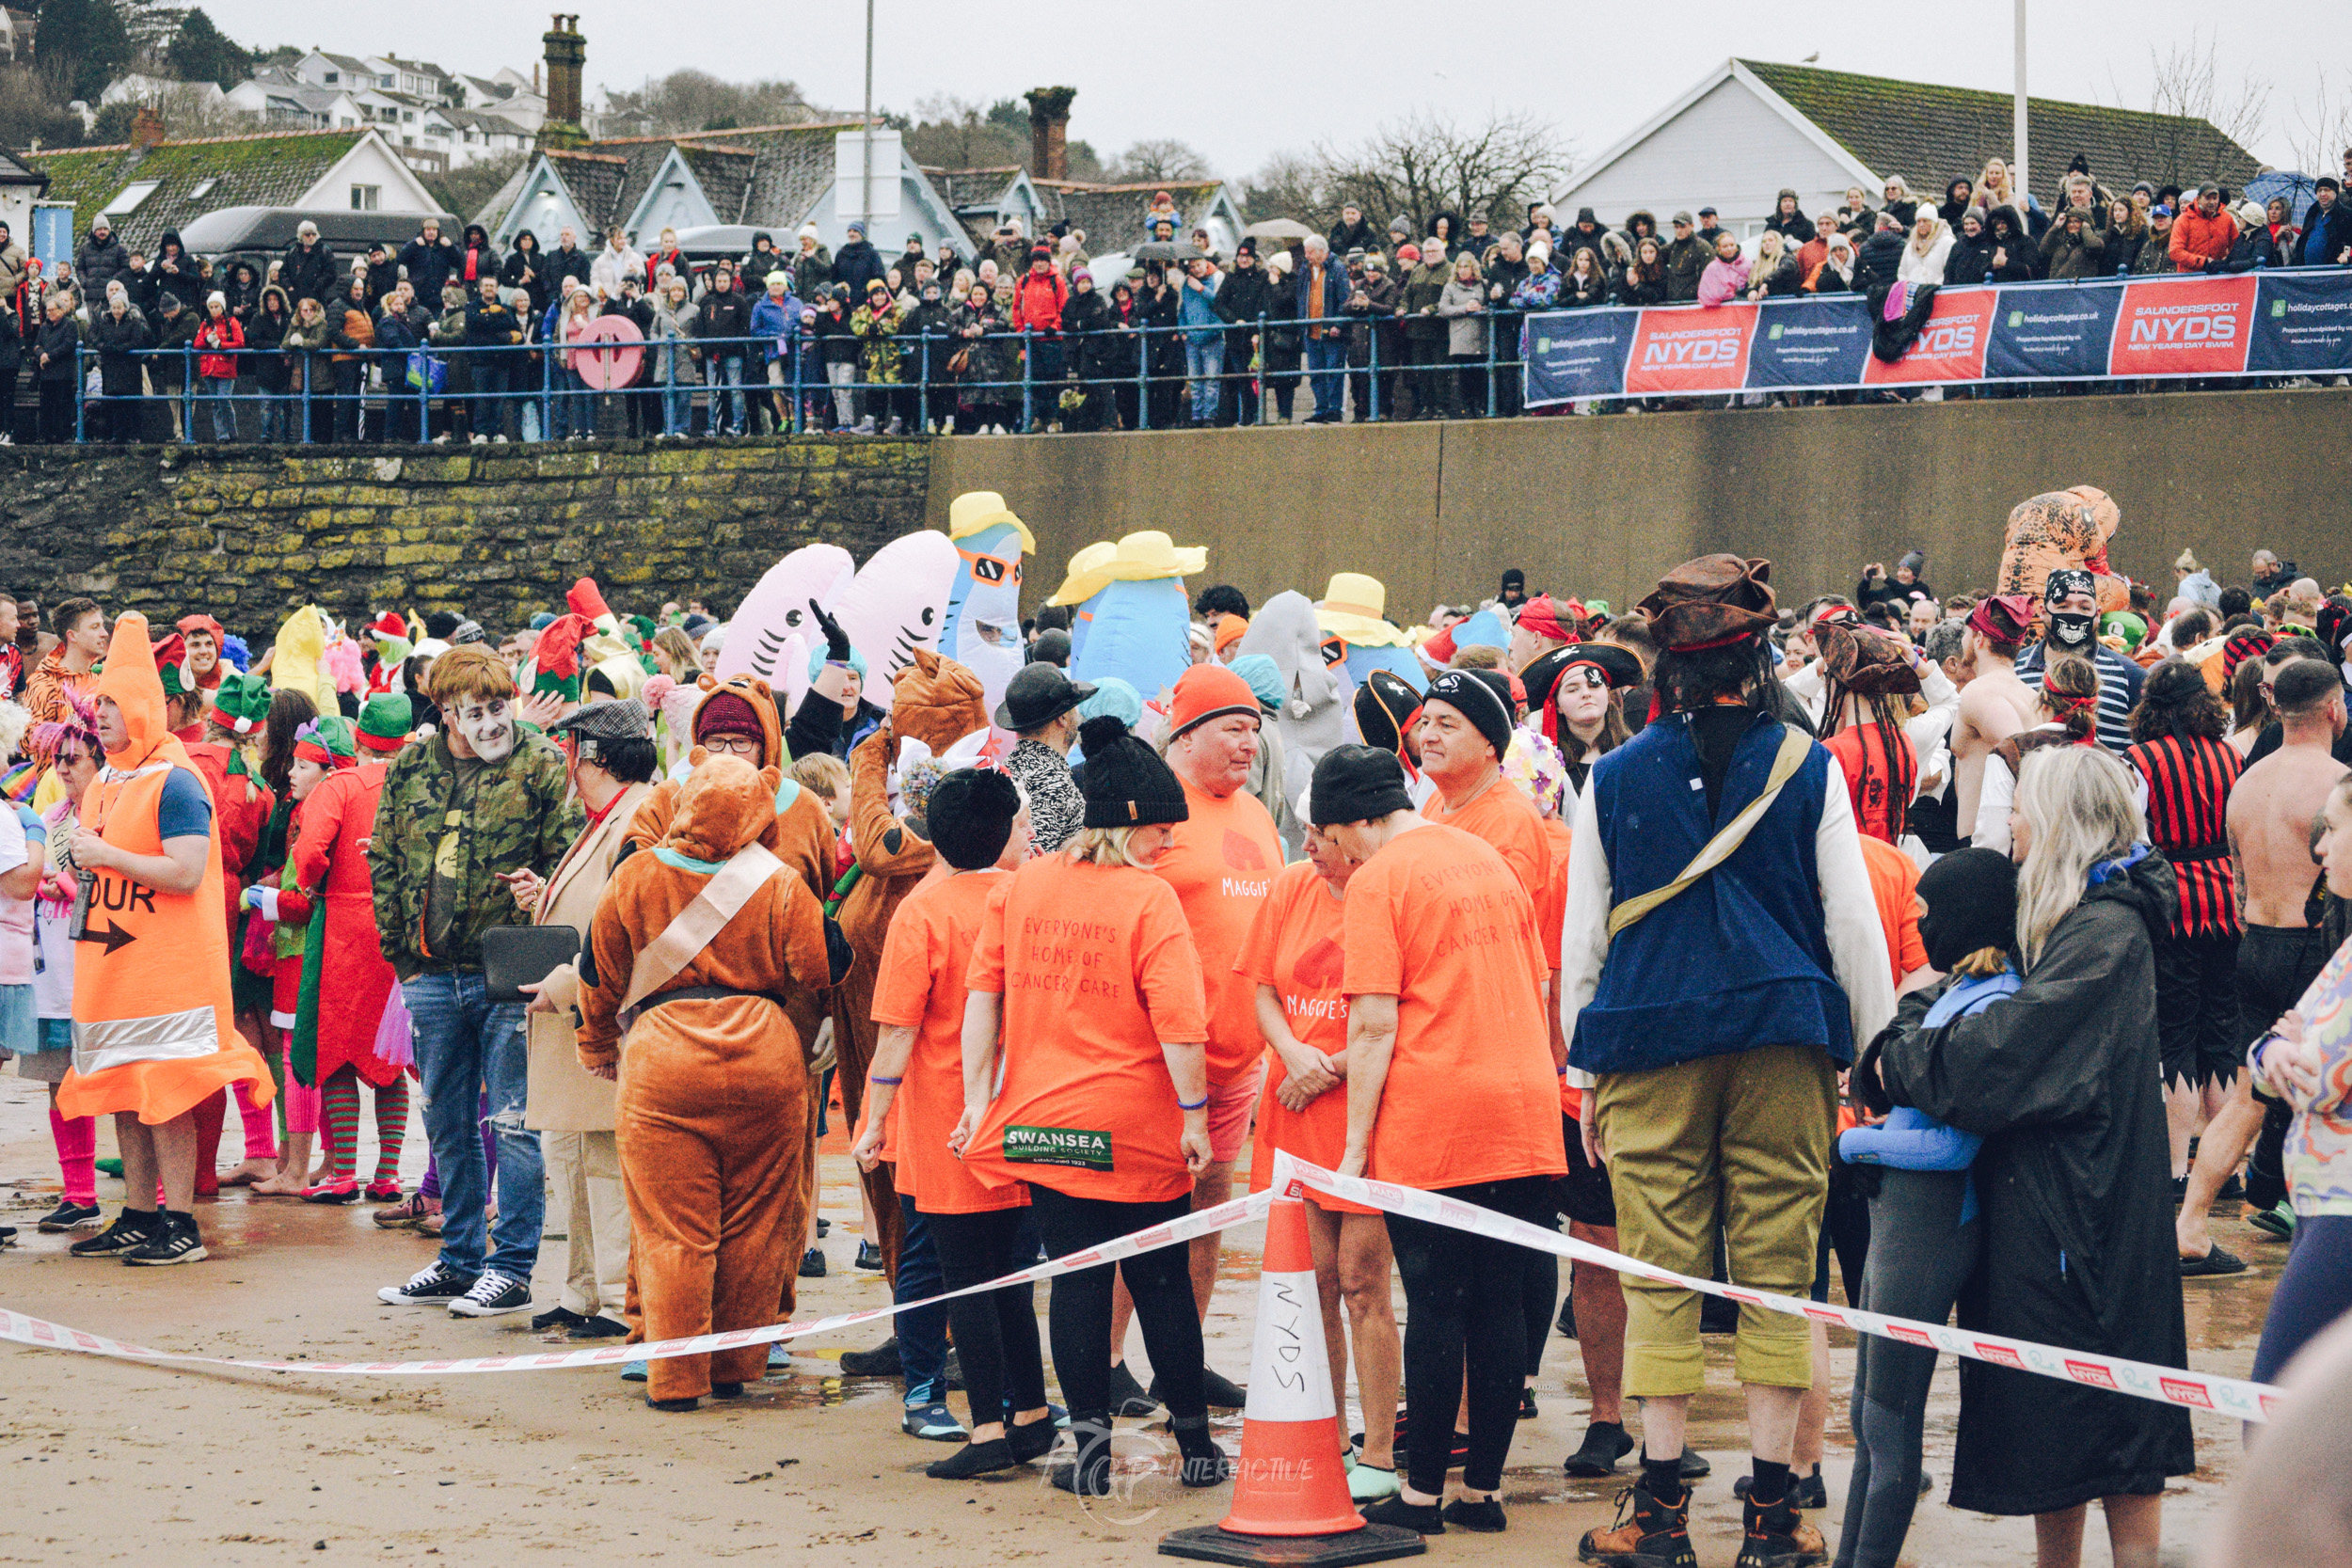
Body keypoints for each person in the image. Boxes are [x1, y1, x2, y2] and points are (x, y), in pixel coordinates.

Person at [1565, 555, 1893, 1568]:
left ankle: (1658, 1516)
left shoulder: (1610, 776)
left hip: (1650, 1039)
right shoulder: (1808, 764)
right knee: (1777, 1273)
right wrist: (1872, 1055)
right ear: (1754, 661)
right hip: (1782, 1037)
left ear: (1659, 667)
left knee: (1658, 1271)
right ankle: (1772, 1516)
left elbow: (1585, 936)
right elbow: (1851, 922)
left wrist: (1583, 1070)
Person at [1866, 745, 2194, 1567]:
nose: (2008, 822)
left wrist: (1894, 1058)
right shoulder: (2066, 919)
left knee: (2116, 1425)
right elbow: (1958, 1004)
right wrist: (1906, 1035)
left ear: (2059, 822)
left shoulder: (2103, 931)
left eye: (2021, 807)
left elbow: (1997, 1058)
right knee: (2059, 1428)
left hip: (2086, 1218)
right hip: (2063, 1207)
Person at [957, 715, 1229, 1496]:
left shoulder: (1023, 885)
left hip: (1043, 1123)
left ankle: (1089, 1455)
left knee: (1075, 1281)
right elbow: (1182, 1026)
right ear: (1130, 824)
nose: (1170, 846)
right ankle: (1197, 1447)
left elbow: (984, 998)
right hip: (1136, 1129)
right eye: (1165, 831)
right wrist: (1194, 1117)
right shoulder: (1150, 901)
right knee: (1161, 1282)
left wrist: (980, 1100)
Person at [1301, 744, 1563, 1535]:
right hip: (1523, 1104)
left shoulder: (1381, 878)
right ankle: (1482, 1490)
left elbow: (1374, 1020)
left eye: (1331, 836)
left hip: (1439, 1111)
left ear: (1351, 826)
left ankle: (1418, 1494)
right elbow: (1538, 979)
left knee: (1440, 1300)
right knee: (1502, 1298)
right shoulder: (1485, 853)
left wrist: (1352, 1147)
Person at [580, 752, 841, 1411]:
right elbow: (819, 965)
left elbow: (597, 972)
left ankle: (674, 1379)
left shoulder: (638, 874)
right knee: (756, 1223)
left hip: (664, 1058)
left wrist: (596, 1044)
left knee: (673, 1230)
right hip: (765, 1057)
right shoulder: (780, 881)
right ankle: (736, 1363)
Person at [852, 768, 1057, 1477]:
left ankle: (987, 1432)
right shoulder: (1025, 897)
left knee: (964, 1279)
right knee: (1011, 1276)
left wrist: (873, 1119)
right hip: (1018, 1110)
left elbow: (897, 1033)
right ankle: (1028, 1411)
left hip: (945, 1118)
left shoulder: (923, 908)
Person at [369, 645, 583, 1319]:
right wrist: (400, 956)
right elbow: (383, 856)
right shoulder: (409, 766)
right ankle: (459, 1258)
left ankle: (511, 1267)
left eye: (501, 707)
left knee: (513, 1120)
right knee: (446, 1120)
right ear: (446, 711)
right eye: (476, 711)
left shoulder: (542, 763)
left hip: (514, 968)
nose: (493, 722)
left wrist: (541, 890)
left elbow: (574, 857)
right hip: (430, 971)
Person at [59, 614, 276, 1266]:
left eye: (112, 704)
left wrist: (103, 855)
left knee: (169, 1098)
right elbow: (100, 864)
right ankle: (139, 1213)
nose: (99, 716)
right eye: (97, 702)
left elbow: (184, 871)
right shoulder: (106, 779)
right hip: (114, 966)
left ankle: (179, 1223)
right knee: (126, 1093)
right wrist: (82, 861)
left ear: (144, 710)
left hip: (169, 974)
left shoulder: (177, 780)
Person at [1097, 664, 1284, 1414]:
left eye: (1255, 731)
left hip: (1238, 1056)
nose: (1249, 744)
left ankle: (1186, 1358)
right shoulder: (1150, 808)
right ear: (1185, 734)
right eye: (1233, 729)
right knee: (1138, 1212)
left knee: (1210, 1210)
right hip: (1156, 1058)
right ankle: (1108, 1358)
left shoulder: (1259, 815)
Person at [1833, 847, 2018, 1568]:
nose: (1921, 925)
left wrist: (1854, 1151)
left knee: (1889, 1420)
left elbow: (1951, 1148)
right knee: (1866, 1416)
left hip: (1931, 1224)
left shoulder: (1993, 1001)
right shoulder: (1953, 993)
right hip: (1898, 1224)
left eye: (1929, 915)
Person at [1236, 802, 1404, 1500]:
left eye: (1317, 834)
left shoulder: (1387, 890)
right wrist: (1289, 1050)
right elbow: (1262, 988)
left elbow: (1398, 1013)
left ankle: (1379, 1450)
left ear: (1352, 832)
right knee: (1313, 1287)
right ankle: (1326, 1435)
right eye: (1302, 831)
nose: (1306, 845)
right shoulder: (1290, 887)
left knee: (1364, 1282)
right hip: (1292, 1108)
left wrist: (1329, 1066)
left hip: (1363, 1111)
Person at [269, 702, 411, 1201]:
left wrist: (308, 885)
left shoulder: (341, 786)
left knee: (337, 1053)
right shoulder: (419, 779)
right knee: (391, 1053)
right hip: (403, 927)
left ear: (362, 734)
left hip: (345, 927)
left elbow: (309, 852)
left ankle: (343, 1173)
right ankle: (389, 1174)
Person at [2123, 661, 2249, 1220]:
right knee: (2221, 1035)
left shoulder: (2140, 761)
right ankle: (2229, 1170)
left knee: (2174, 1036)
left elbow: (2130, 835)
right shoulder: (2231, 756)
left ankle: (2178, 1168)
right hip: (2227, 900)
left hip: (2171, 901)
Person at [2244, 774, 2352, 1386]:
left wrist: (2283, 1047)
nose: (2320, 849)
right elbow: (2269, 1050)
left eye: (2333, 829)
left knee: (2276, 1402)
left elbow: (2314, 1081)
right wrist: (2280, 1047)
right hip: (2321, 1197)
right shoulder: (2345, 949)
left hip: (2342, 1203)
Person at [2017, 568, 2144, 752]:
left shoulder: (2129, 674)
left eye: (2084, 608)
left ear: (2098, 614)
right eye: (2063, 606)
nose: (2074, 614)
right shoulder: (2017, 667)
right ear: (2043, 612)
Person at [996, 660, 1089, 854]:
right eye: (1074, 709)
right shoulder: (1052, 783)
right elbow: (1031, 862)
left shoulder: (1006, 768)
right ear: (1062, 718)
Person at [26, 595, 106, 726]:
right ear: (72, 636)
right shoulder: (45, 684)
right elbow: (31, 741)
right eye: (95, 627)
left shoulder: (103, 676)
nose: (104, 633)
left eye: (102, 626)